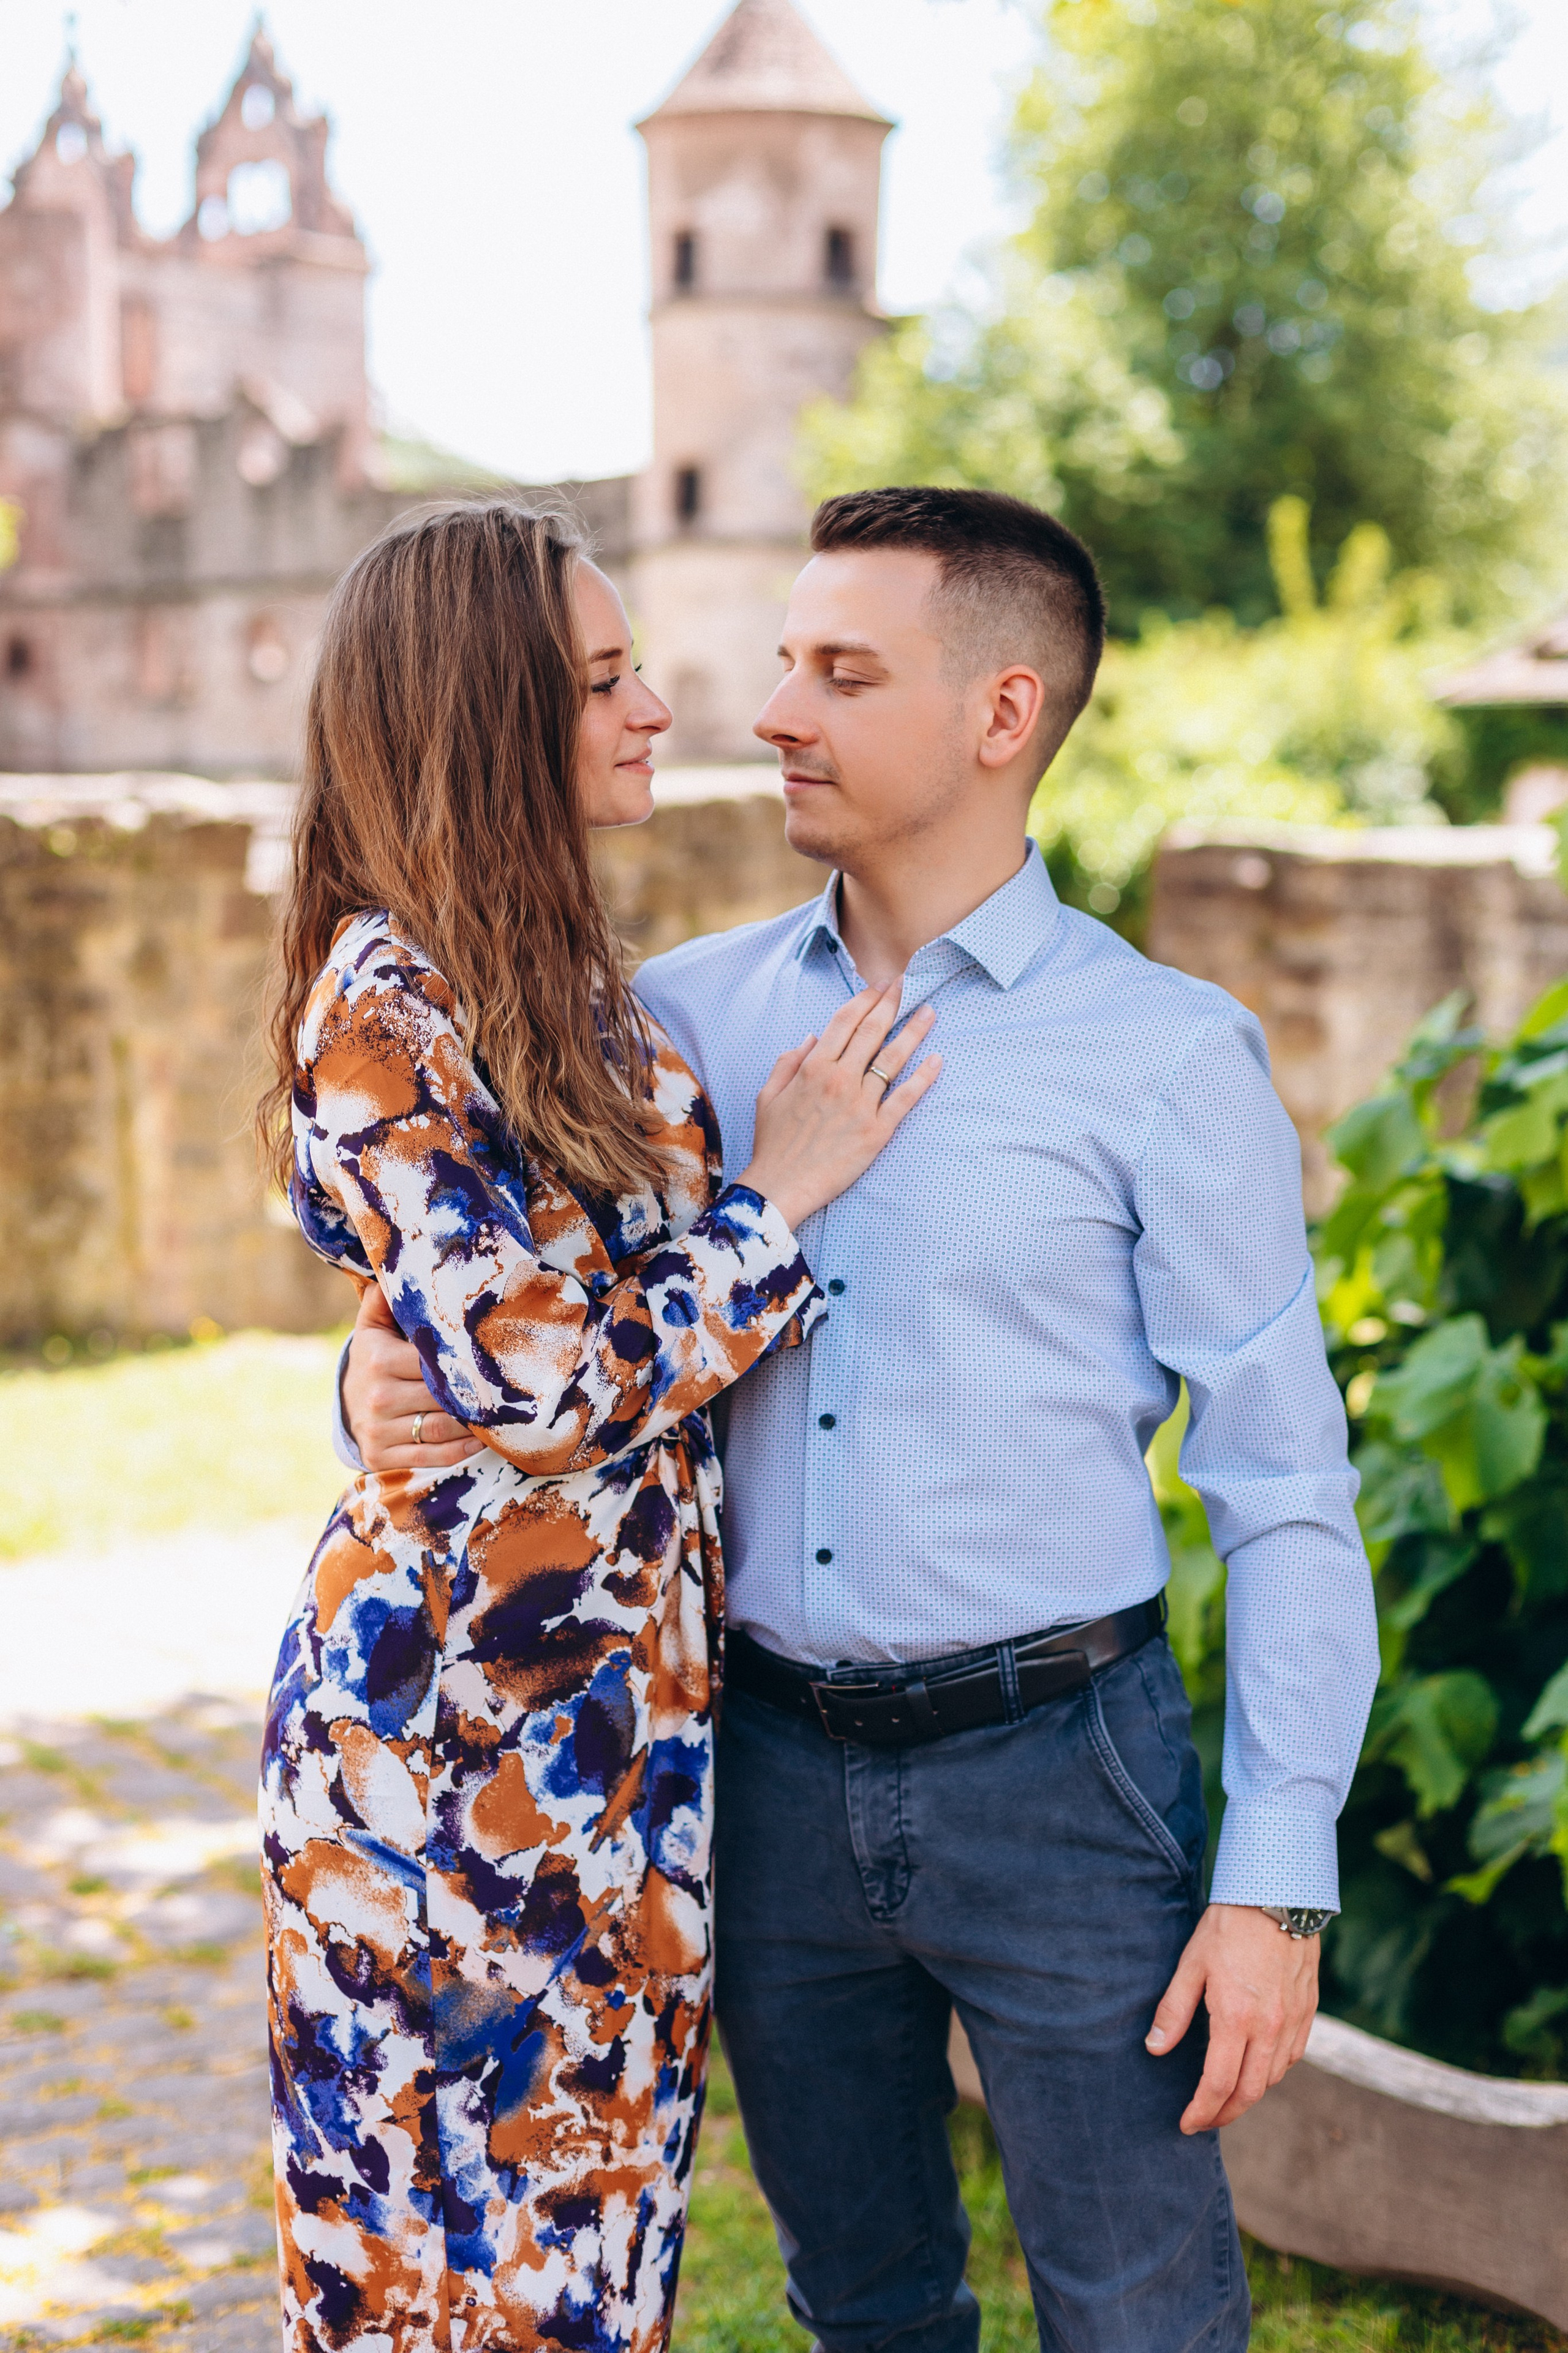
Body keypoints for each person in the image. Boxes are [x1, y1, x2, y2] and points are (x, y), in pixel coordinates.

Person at [338, 486, 1381, 2353]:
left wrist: (1277, 1875)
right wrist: (362, 1369)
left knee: (1145, 2310)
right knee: (868, 2305)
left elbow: (1285, 1482)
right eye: (783, 661)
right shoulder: (672, 1023)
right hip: (755, 1773)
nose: (772, 712)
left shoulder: (1165, 1053)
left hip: (1067, 1770)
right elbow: (505, 1301)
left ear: (1001, 713)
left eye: (840, 671)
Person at [255, 500, 940, 2353]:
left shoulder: (563, 982)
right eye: (607, 680)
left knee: (594, 2266)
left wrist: (397, 1369)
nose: (661, 711)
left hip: (614, 1754)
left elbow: (503, 1338)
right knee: (446, 2285)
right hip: (444, 1762)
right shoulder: (386, 1000)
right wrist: (774, 1204)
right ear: (490, 715)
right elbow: (548, 1381)